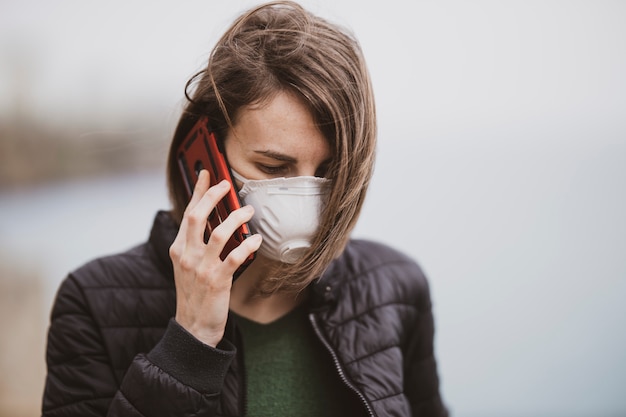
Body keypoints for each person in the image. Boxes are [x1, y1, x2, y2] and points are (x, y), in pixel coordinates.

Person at [42, 1, 448, 416]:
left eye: (329, 170)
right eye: (274, 167)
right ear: (206, 153)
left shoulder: (396, 288)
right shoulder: (92, 302)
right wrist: (189, 344)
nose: (305, 200)